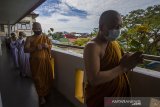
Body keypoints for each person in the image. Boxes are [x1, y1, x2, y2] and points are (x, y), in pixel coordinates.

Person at [83, 10, 143, 107]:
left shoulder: (114, 43)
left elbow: (122, 62)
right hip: (102, 99)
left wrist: (132, 61)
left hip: (118, 96)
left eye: (120, 26)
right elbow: (94, 79)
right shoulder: (92, 47)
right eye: (115, 26)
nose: (118, 30)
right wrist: (123, 68)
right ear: (102, 27)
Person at [24, 22, 53, 105]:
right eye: (36, 29)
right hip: (35, 63)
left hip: (46, 61)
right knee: (38, 79)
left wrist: (47, 46)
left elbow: (50, 46)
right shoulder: (29, 38)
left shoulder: (45, 37)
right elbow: (25, 50)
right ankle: (41, 96)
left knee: (47, 77)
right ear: (33, 29)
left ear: (41, 28)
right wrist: (36, 47)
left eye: (39, 28)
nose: (38, 30)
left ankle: (46, 93)